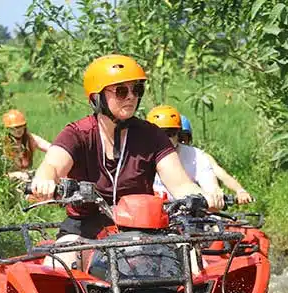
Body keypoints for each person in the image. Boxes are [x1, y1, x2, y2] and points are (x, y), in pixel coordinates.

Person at [29, 54, 221, 269]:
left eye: (136, 89)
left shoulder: (152, 135)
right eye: (121, 90)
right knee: (58, 266)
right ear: (97, 97)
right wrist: (45, 180)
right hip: (84, 229)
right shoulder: (77, 133)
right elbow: (53, 165)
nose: (131, 96)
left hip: (143, 228)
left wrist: (201, 195)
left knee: (195, 264)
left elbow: (180, 183)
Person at [147, 105, 223, 207]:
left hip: (187, 215)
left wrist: (214, 193)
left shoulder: (196, 156)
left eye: (171, 133)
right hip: (149, 215)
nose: (166, 138)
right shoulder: (140, 156)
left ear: (178, 134)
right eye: (160, 133)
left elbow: (209, 184)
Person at [178, 115, 254, 204]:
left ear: (189, 139)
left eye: (183, 139)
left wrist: (240, 190)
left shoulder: (200, 157)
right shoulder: (161, 159)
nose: (178, 143)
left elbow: (222, 175)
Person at [1, 109, 51, 182]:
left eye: (21, 126)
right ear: (7, 129)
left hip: (28, 179)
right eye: (14, 128)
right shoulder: (2, 144)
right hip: (9, 182)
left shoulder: (30, 139)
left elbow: (52, 149)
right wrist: (15, 175)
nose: (18, 130)